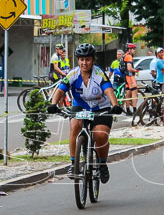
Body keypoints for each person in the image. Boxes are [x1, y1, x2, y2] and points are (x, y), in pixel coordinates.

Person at [46, 43, 122, 183]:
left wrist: (115, 105)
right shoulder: (73, 73)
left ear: (93, 60)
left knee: (100, 135)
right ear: (78, 60)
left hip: (101, 108)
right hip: (80, 106)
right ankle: (73, 163)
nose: (84, 63)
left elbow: (108, 90)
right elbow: (61, 88)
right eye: (81, 59)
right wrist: (53, 104)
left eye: (87, 59)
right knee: (74, 126)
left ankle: (102, 164)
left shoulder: (98, 73)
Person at [122, 42, 138, 113]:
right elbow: (129, 68)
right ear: (129, 49)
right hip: (130, 76)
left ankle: (128, 110)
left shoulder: (125, 55)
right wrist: (136, 70)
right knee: (134, 92)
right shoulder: (129, 57)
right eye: (133, 49)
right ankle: (135, 110)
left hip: (126, 77)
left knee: (128, 93)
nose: (134, 50)